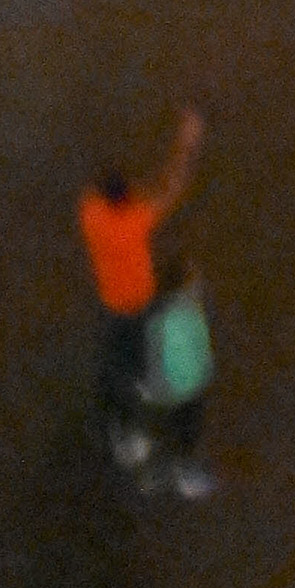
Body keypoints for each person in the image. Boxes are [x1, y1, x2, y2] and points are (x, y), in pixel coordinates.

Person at [79, 112, 203, 469]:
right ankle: (124, 432)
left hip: (111, 300)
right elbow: (171, 189)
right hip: (135, 302)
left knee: (116, 356)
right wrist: (187, 143)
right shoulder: (135, 222)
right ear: (126, 199)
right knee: (128, 368)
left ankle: (117, 411)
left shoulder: (91, 212)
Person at [141, 258, 215, 499]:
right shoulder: (190, 313)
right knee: (186, 432)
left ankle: (156, 473)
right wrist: (204, 373)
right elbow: (199, 351)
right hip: (188, 390)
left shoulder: (156, 317)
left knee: (163, 429)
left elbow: (152, 356)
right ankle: (185, 474)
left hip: (164, 391)